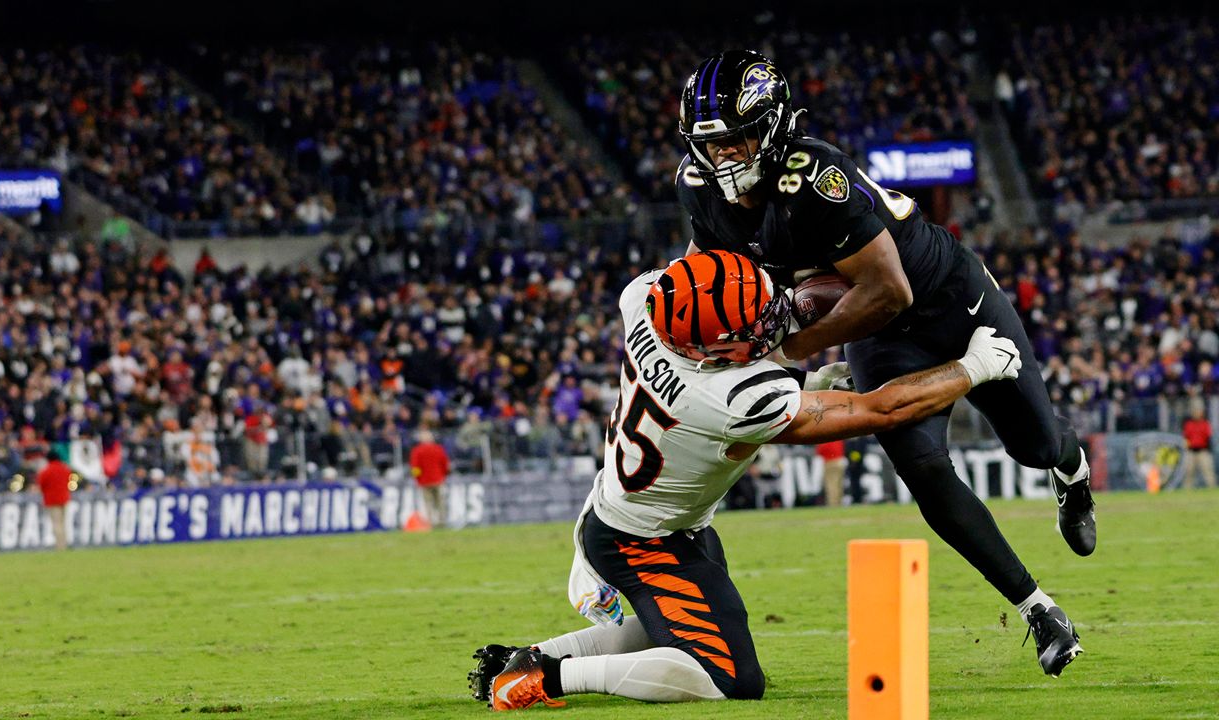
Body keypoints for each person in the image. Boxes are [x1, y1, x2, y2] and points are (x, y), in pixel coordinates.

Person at [467, 252, 1048, 710]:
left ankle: (527, 658)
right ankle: (547, 678)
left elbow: (702, 285)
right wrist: (972, 368)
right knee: (728, 677)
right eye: (753, 324)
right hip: (644, 543)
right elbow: (882, 410)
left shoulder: (644, 301)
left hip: (630, 516)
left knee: (670, 632)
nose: (770, 320)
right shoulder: (733, 396)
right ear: (720, 349)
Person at [674, 50, 1093, 674]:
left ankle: (1072, 471)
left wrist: (792, 350)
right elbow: (712, 278)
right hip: (881, 334)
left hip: (950, 301)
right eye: (714, 143)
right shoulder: (697, 185)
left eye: (738, 138)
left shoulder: (813, 176)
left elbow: (888, 290)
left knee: (1034, 446)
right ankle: (1038, 609)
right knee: (924, 469)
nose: (726, 156)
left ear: (775, 125)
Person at [409, 429, 451, 528]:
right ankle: (442, 521)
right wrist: (443, 476)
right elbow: (445, 464)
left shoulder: (417, 450)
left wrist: (417, 479)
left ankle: (431, 523)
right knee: (440, 502)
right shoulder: (439, 449)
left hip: (424, 481)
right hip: (438, 479)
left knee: (428, 503)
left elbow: (415, 467)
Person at [37, 450, 73, 551]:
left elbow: (41, 484)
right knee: (63, 523)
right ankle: (64, 544)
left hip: (52, 500)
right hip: (64, 498)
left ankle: (60, 546)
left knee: (56, 524)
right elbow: (69, 481)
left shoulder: (46, 471)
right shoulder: (65, 469)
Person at [1181, 403, 1216, 489]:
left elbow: (1209, 437)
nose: (1197, 414)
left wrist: (1209, 449)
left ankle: (1212, 488)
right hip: (1191, 451)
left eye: (1198, 412)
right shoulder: (1188, 424)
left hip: (1203, 451)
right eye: (1195, 412)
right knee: (1189, 472)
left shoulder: (1205, 423)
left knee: (1208, 471)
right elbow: (1186, 437)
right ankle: (1187, 490)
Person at [817, 440, 847, 506]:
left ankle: (833, 504)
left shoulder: (826, 439)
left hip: (830, 461)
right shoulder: (838, 438)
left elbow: (820, 450)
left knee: (831, 485)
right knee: (839, 484)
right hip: (840, 461)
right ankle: (839, 503)